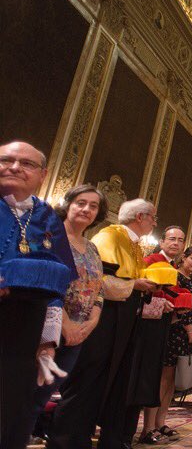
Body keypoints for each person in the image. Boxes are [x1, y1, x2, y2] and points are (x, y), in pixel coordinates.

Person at [48, 198, 159, 449]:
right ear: (139, 217)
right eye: (153, 217)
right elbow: (101, 281)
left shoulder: (135, 245)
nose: (154, 222)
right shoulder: (110, 237)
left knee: (109, 383)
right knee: (88, 381)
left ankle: (90, 437)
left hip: (124, 319)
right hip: (103, 319)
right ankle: (66, 440)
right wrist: (135, 285)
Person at [0, 141, 77, 449]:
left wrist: (47, 340)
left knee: (14, 410)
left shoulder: (46, 215)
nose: (15, 166)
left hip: (26, 326)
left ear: (43, 174)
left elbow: (59, 281)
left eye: (26, 163)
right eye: (6, 159)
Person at [24, 185, 106, 442]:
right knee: (24, 394)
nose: (86, 209)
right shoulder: (50, 236)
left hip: (78, 334)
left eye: (93, 206)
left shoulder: (92, 248)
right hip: (44, 328)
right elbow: (41, 279)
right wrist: (65, 323)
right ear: (68, 204)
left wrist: (93, 320)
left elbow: (98, 289)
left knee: (43, 395)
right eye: (81, 202)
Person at [143, 245, 192, 443]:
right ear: (183, 258)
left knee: (171, 381)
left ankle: (161, 422)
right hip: (176, 331)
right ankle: (149, 426)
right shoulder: (175, 276)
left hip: (191, 333)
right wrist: (190, 330)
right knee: (163, 378)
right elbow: (178, 305)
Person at [132, 228, 184, 445]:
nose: (176, 243)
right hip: (145, 328)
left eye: (180, 240)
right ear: (161, 241)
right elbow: (140, 293)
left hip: (163, 327)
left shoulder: (173, 267)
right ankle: (145, 428)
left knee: (156, 377)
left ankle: (152, 426)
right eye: (171, 239)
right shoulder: (150, 260)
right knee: (146, 378)